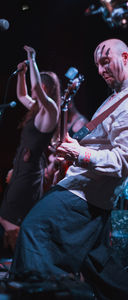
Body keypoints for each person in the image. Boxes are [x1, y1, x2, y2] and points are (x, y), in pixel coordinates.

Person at [9, 38, 128, 300]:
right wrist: (74, 146)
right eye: (97, 64)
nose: (100, 70)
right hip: (84, 191)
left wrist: (79, 153)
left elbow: (123, 162)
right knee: (100, 266)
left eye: (105, 61)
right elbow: (98, 143)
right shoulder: (119, 98)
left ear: (125, 57)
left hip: (84, 194)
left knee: (34, 230)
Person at [0, 45, 61, 253]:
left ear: (46, 89)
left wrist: (32, 59)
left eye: (38, 86)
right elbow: (21, 95)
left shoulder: (51, 110)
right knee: (14, 218)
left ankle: (28, 259)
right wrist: (22, 74)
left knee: (10, 218)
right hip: (20, 170)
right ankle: (27, 262)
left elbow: (36, 92)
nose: (35, 89)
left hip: (29, 175)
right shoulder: (36, 110)